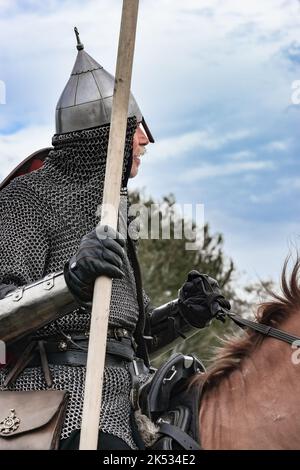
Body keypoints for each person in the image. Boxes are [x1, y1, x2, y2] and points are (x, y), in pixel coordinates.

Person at [0, 30, 230, 450]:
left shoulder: (112, 216)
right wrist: (71, 282)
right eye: (135, 127)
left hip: (132, 403)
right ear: (104, 136)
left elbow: (128, 335)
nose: (145, 139)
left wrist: (182, 315)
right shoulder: (26, 198)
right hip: (61, 403)